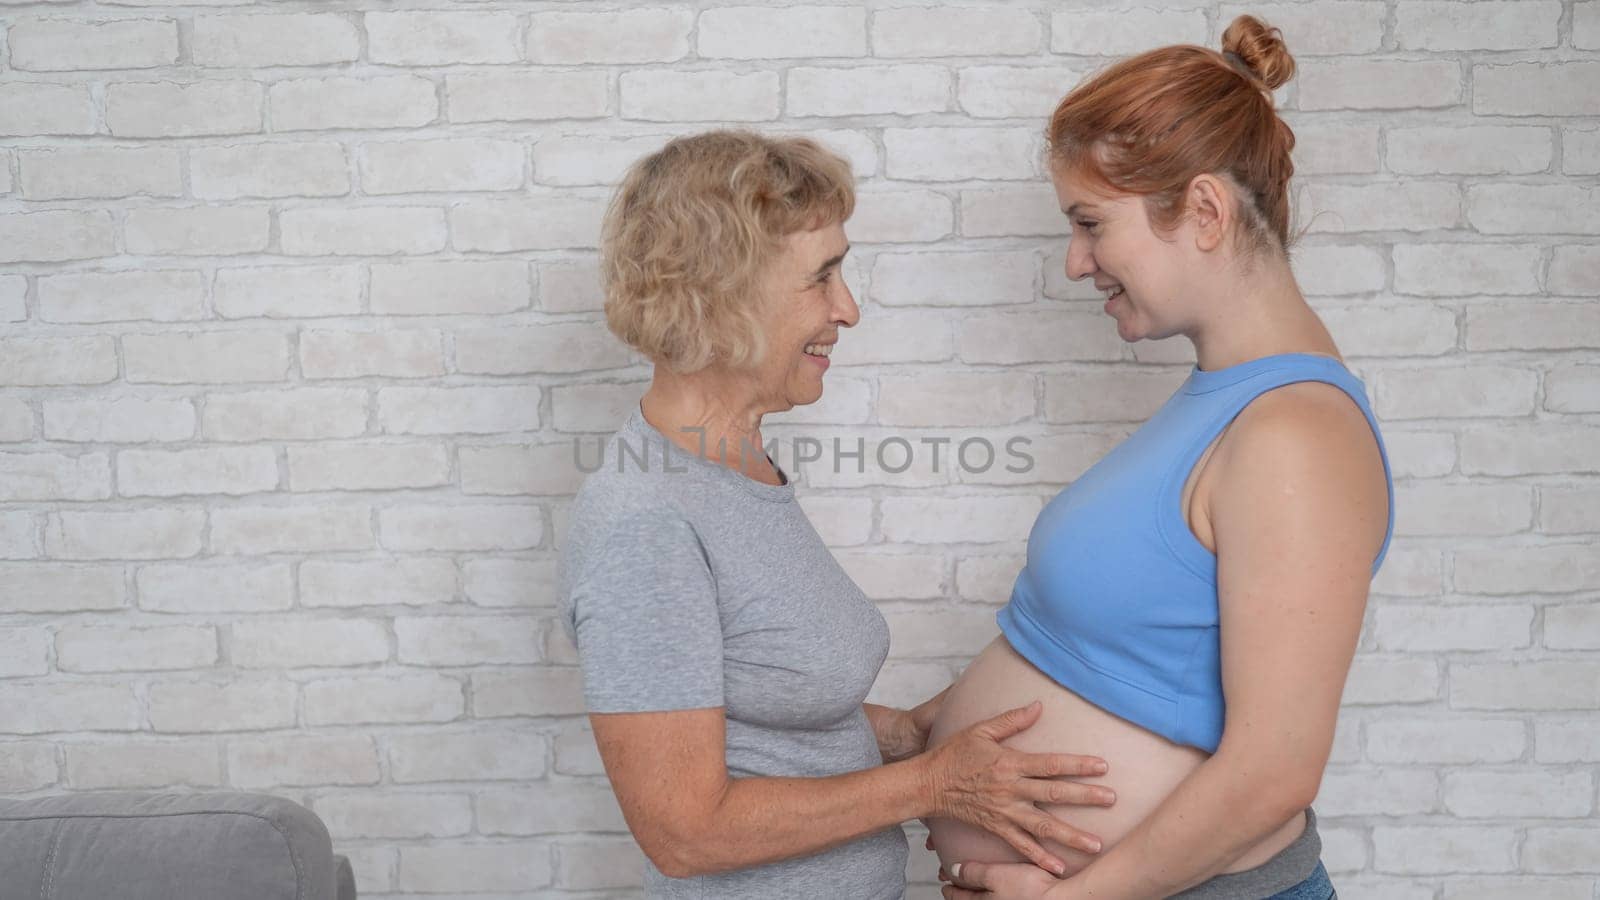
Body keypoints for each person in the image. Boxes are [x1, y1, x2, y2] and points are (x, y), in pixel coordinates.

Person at [558, 130, 1116, 900]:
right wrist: (932, 785)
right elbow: (685, 831)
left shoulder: (737, 472)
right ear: (722, 294)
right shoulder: (646, 523)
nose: (847, 309)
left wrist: (903, 737)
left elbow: (757, 713)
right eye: (822, 278)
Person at [930, 16, 1393, 900]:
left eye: (1092, 224)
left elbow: (1275, 771)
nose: (1076, 262)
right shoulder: (1222, 407)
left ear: (1207, 211)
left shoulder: (1296, 435)